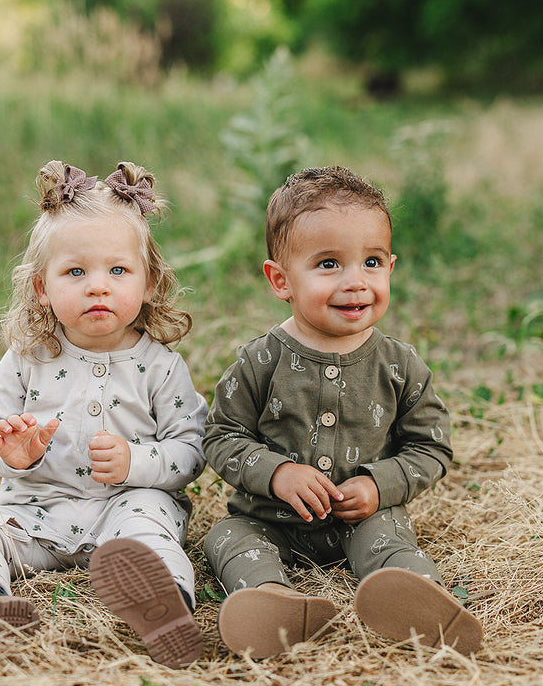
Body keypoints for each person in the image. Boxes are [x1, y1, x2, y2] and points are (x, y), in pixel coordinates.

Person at [0, 160, 208, 669]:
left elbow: (191, 450)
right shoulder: (28, 357)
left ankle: (165, 604)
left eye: (117, 270)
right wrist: (9, 452)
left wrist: (137, 462)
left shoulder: (159, 365)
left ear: (148, 281)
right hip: (39, 515)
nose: (97, 286)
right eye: (75, 272)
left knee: (152, 525)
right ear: (42, 288)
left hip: (125, 513)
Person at [202, 165, 483, 658]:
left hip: (363, 518)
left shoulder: (399, 365)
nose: (356, 282)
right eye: (329, 264)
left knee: (392, 543)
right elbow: (221, 435)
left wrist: (380, 484)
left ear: (390, 267)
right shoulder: (261, 360)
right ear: (280, 279)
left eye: (371, 262)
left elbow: (432, 447)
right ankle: (273, 601)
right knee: (227, 537)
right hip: (269, 517)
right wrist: (276, 473)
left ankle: (418, 600)